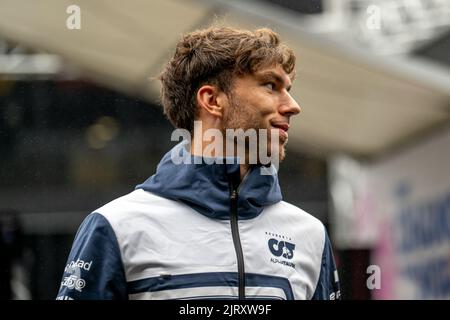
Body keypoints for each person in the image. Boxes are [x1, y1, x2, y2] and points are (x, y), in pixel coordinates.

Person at [56, 25, 341, 300]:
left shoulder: (310, 235)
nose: (293, 105)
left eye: (288, 88)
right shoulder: (116, 227)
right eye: (270, 85)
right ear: (212, 100)